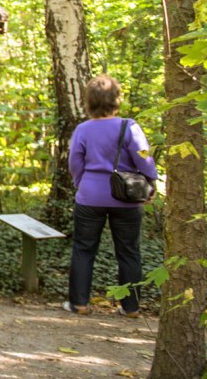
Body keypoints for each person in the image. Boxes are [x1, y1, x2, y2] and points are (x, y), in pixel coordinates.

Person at [64, 75, 156, 317]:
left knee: (84, 249)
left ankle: (79, 304)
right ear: (117, 99)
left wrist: (80, 183)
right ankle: (131, 307)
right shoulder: (130, 127)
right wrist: (151, 182)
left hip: (90, 196)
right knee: (129, 251)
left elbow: (75, 161)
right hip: (126, 197)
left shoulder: (83, 130)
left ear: (90, 101)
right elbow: (144, 157)